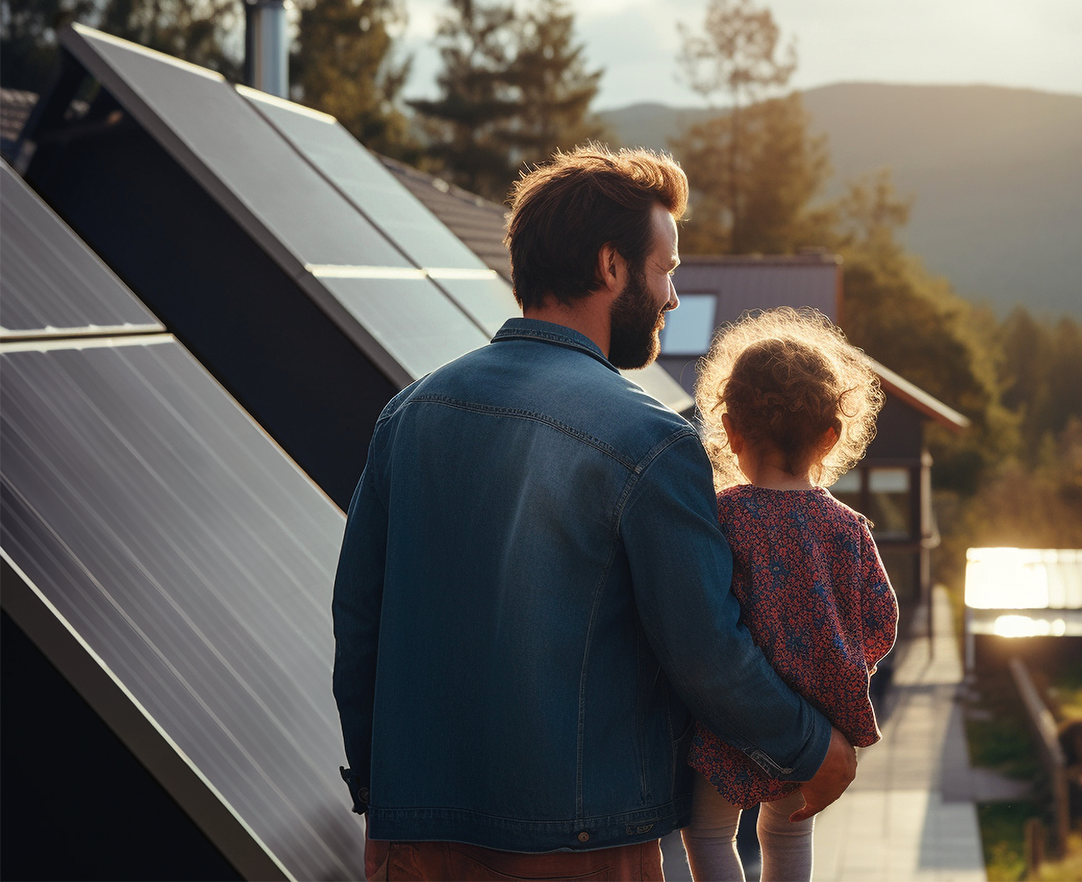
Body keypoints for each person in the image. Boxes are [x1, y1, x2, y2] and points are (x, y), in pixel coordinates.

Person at [331, 145, 857, 882]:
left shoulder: (409, 413)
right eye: (666, 269)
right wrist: (813, 745)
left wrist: (380, 803)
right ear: (612, 267)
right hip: (581, 851)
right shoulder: (652, 441)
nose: (674, 296)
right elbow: (705, 649)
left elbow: (358, 625)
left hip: (413, 843)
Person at [680, 308, 898, 882]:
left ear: (731, 430)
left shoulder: (723, 516)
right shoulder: (849, 528)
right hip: (816, 720)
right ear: (831, 436)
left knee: (706, 833)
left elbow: (701, 611)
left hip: (732, 717)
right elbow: (881, 620)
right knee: (786, 829)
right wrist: (836, 663)